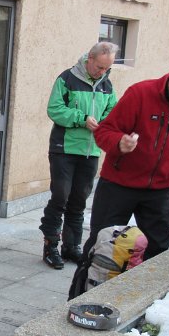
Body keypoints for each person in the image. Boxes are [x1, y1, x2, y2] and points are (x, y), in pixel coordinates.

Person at [82, 66, 169, 263]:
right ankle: (82, 293)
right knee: (102, 243)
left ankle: (142, 293)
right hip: (119, 184)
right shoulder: (141, 93)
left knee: (158, 248)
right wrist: (120, 142)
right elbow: (104, 132)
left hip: (160, 189)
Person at [40, 42, 118, 269]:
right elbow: (54, 109)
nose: (102, 72)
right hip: (63, 148)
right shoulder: (67, 78)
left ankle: (71, 247)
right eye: (100, 67)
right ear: (89, 59)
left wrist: (104, 124)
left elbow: (112, 113)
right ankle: (51, 246)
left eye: (107, 68)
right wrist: (81, 118)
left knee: (79, 200)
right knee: (60, 197)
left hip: (90, 150)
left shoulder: (107, 85)